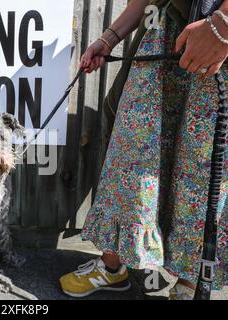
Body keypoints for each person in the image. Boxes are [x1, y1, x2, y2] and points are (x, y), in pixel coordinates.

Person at [60, 0, 228, 300]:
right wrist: (108, 38)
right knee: (133, 157)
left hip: (214, 40)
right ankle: (113, 266)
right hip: (160, 35)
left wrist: (223, 24)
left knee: (200, 168)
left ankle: (188, 285)